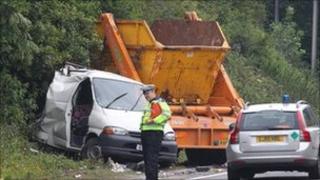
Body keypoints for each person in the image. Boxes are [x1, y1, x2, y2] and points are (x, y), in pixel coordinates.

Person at [140, 84, 171, 180]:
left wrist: (154, 120)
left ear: (153, 92)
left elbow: (167, 114)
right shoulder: (150, 103)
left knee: (151, 159)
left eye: (147, 93)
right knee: (147, 159)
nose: (146, 95)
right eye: (144, 93)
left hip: (154, 133)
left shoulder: (159, 101)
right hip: (147, 133)